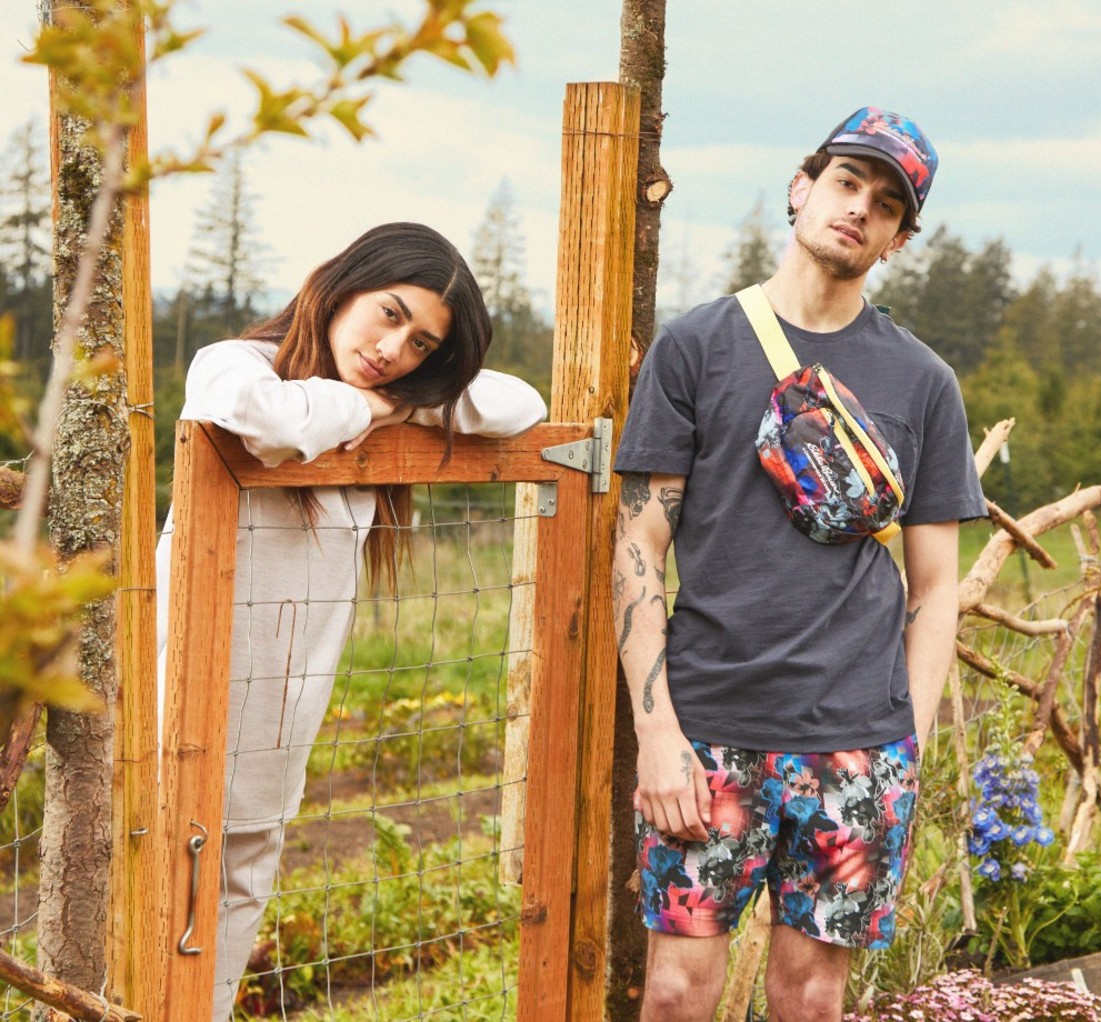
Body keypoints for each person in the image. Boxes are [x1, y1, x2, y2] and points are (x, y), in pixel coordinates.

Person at [612, 108, 988, 1021]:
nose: (860, 209)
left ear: (900, 239)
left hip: (859, 739)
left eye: (888, 203)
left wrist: (910, 740)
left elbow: (937, 589)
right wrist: (658, 734)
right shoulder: (696, 348)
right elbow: (639, 544)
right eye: (847, 183)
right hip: (709, 733)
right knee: (673, 992)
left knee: (812, 997)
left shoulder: (923, 382)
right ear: (802, 187)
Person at [154, 222, 547, 1021]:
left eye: (422, 345)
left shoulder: (393, 403)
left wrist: (397, 406)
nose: (395, 348)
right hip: (172, 717)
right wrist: (367, 404)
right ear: (340, 285)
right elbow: (257, 417)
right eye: (390, 312)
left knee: (216, 964)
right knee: (139, 927)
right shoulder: (239, 362)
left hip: (273, 737)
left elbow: (521, 403)